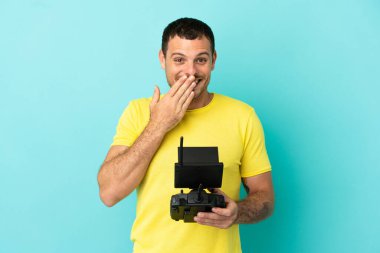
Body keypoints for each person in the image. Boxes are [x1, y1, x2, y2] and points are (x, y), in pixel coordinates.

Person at [97, 17, 274, 253]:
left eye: (200, 60)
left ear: (213, 61)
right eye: (179, 59)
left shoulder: (243, 116)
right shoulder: (138, 112)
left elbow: (265, 198)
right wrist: (158, 124)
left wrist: (237, 213)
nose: (190, 71)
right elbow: (109, 192)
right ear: (162, 59)